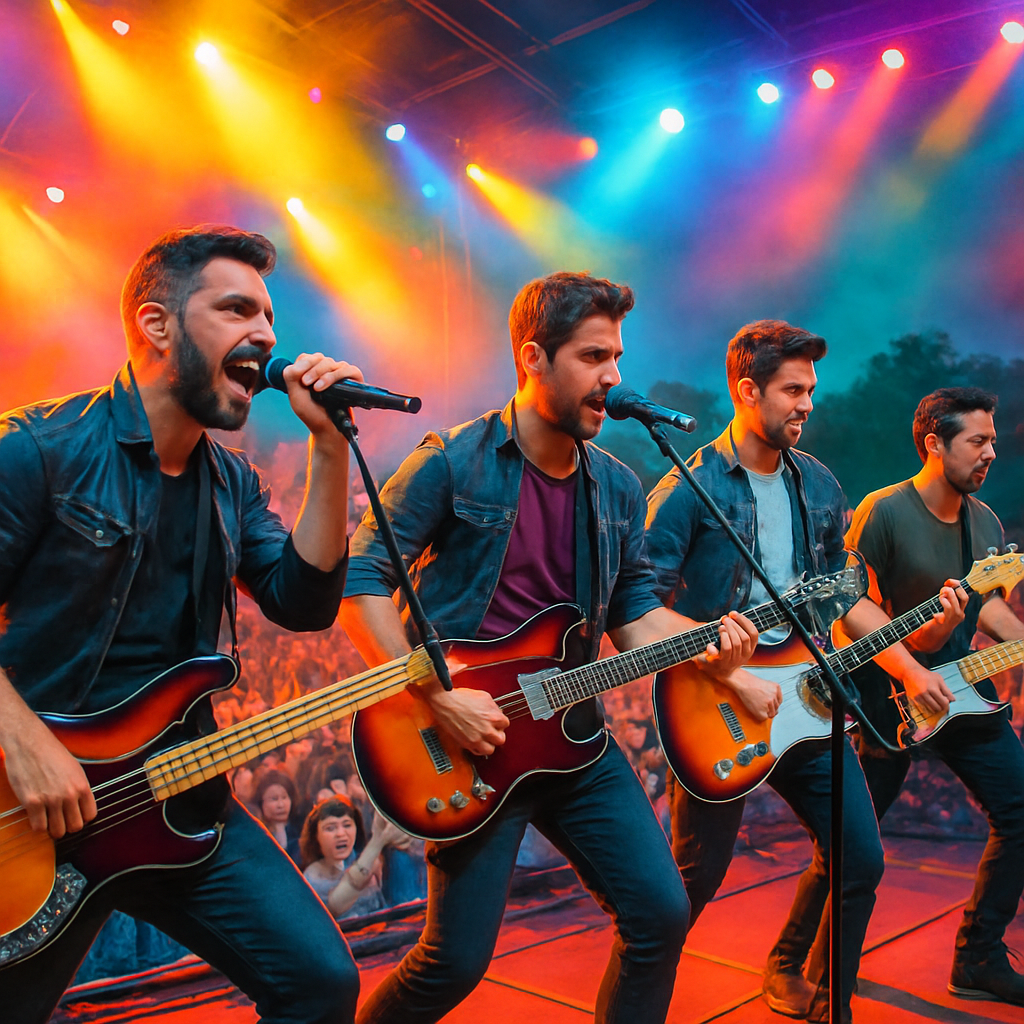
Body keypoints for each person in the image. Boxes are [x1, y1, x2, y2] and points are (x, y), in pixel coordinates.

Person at [340, 271, 761, 1024]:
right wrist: (433, 694)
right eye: (595, 357)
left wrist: (707, 644)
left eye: (618, 358)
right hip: (469, 738)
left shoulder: (619, 486)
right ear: (534, 358)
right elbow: (361, 574)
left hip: (573, 736)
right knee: (454, 964)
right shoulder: (453, 461)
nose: (614, 378)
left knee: (661, 914)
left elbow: (634, 618)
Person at [0, 225, 361, 1024]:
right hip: (37, 809)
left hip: (173, 796)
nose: (265, 336)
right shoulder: (38, 448)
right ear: (156, 325)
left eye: (268, 317)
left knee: (321, 984)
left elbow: (302, 604)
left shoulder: (232, 485)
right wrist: (23, 745)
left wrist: (330, 449)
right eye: (236, 309)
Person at [644, 319, 955, 1022]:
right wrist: (725, 672)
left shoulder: (817, 484)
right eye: (792, 389)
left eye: (811, 389)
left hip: (809, 703)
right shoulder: (688, 489)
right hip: (717, 706)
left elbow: (848, 599)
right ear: (747, 391)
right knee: (686, 889)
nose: (807, 403)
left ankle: (826, 1001)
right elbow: (636, 610)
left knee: (859, 860)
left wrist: (907, 666)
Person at [848, 386, 1024, 1007]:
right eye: (977, 442)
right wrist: (912, 657)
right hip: (886, 703)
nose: (990, 453)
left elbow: (989, 606)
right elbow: (851, 607)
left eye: (993, 441)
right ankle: (813, 964)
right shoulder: (884, 510)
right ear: (934, 444)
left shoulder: (985, 521)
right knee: (849, 843)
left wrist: (1022, 638)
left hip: (962, 693)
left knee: (1022, 812)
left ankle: (978, 958)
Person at [300, 796, 404, 920]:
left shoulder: (370, 860)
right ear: (315, 836)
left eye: (347, 825)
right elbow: (336, 906)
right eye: (330, 828)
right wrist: (378, 841)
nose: (340, 834)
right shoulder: (312, 877)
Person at [256, 769, 302, 862]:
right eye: (274, 799)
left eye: (284, 797)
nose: (280, 805)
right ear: (261, 802)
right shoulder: (257, 835)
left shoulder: (300, 829)